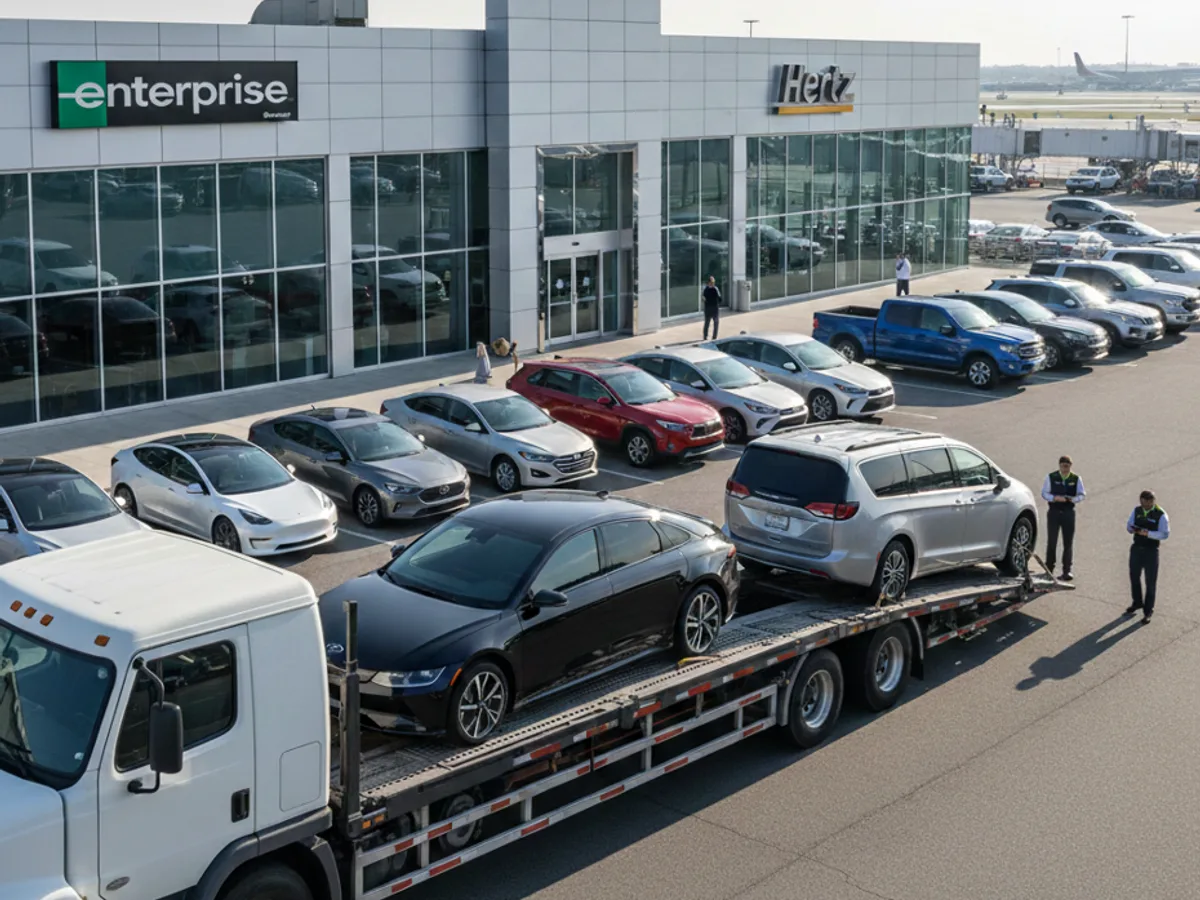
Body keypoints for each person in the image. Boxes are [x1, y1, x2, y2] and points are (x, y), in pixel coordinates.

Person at [1126, 490, 1170, 624]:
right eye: (1142, 502)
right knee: (1134, 577)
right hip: (1136, 548)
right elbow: (1128, 525)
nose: (1144, 505)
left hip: (1151, 551)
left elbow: (1165, 534)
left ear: (1152, 501)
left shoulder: (1161, 515)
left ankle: (1148, 610)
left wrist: (1148, 533)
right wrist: (1132, 529)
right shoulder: (1137, 511)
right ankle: (1137, 602)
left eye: (1146, 503)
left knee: (1150, 582)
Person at [1041, 455, 1085, 581]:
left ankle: (1067, 570)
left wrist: (1072, 499)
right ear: (1059, 465)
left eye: (1067, 466)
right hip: (1054, 511)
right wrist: (1054, 498)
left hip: (1068, 512)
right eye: (1063, 466)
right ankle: (1049, 569)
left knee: (1068, 542)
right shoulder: (1051, 477)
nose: (1065, 469)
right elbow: (1044, 492)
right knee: (1052, 541)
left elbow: (1082, 494)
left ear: (1070, 466)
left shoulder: (1076, 479)